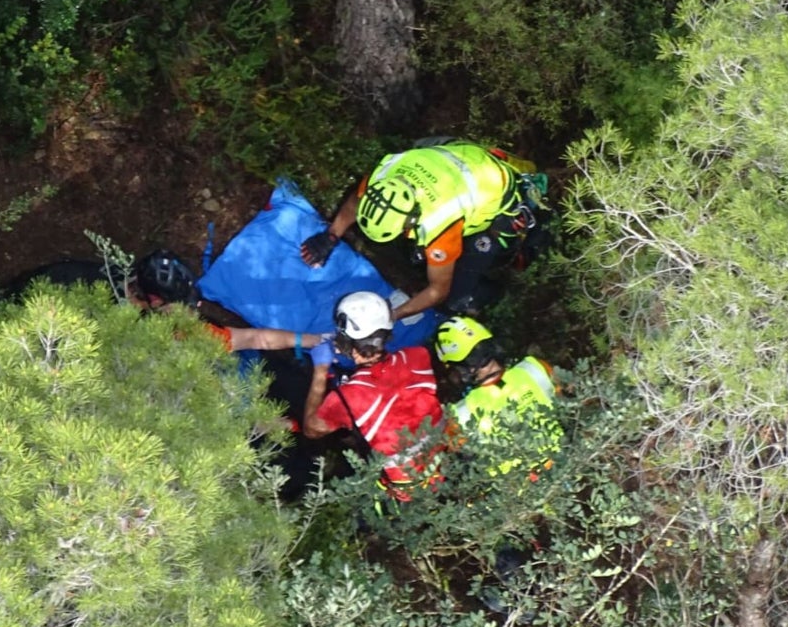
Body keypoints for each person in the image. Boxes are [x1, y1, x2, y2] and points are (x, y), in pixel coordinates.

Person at [300, 142, 541, 319]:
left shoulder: (439, 224)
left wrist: (394, 315)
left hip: (497, 196)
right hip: (457, 159)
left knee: (456, 296)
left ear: (412, 220)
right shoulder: (383, 180)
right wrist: (331, 236)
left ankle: (503, 278)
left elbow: (438, 290)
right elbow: (356, 201)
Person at [302, 291, 445, 501]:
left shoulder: (347, 398)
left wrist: (321, 371)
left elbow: (311, 429)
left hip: (405, 490)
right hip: (442, 464)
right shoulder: (418, 356)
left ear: (345, 340)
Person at [433, 315, 561, 482]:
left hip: (519, 493)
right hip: (568, 463)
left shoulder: (460, 415)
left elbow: (455, 459)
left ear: (462, 367)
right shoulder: (535, 368)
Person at [127, 249, 324, 353]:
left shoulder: (108, 277)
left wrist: (312, 340)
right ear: (155, 301)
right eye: (182, 305)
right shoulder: (178, 336)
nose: (191, 313)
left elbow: (254, 338)